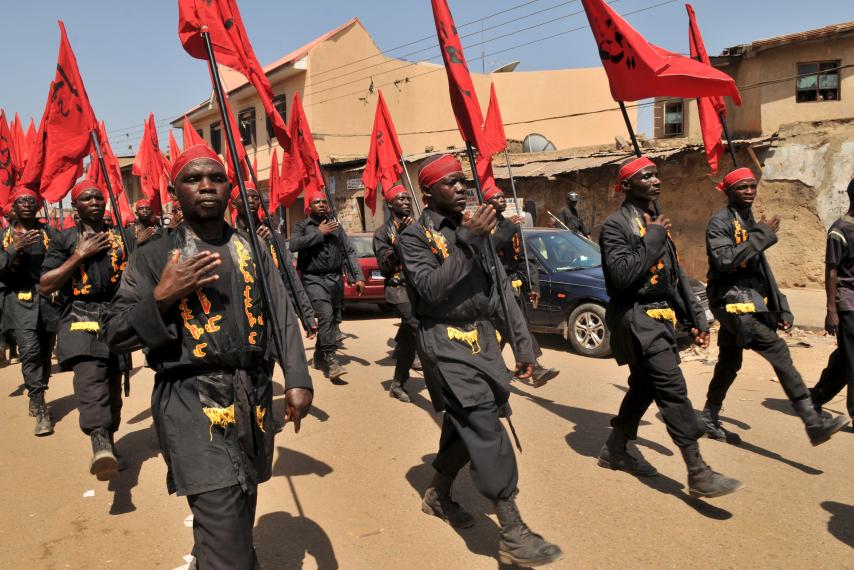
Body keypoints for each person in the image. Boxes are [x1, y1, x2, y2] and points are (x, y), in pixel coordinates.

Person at [104, 145, 313, 569]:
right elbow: (115, 332)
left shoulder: (251, 247)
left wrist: (296, 378)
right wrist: (162, 297)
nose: (205, 186)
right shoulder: (151, 257)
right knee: (223, 517)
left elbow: (280, 313)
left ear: (229, 187)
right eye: (193, 179)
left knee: (239, 505)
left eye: (215, 178)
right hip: (190, 402)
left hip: (250, 397)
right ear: (175, 192)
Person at [399, 155, 562, 567]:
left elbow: (502, 293)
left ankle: (437, 492)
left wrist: (525, 348)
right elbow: (431, 291)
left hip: (484, 342)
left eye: (462, 182)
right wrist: (469, 243)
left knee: (464, 423)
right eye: (449, 183)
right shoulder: (414, 237)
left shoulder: (477, 229)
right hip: (443, 342)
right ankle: (512, 529)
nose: (459, 189)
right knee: (483, 423)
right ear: (427, 192)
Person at [598, 156, 741, 498]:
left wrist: (696, 319)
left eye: (656, 175)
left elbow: (674, 279)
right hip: (635, 319)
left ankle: (615, 448)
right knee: (672, 387)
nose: (656, 181)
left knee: (645, 386)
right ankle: (697, 470)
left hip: (662, 318)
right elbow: (622, 277)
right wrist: (653, 237)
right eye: (646, 177)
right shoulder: (615, 226)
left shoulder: (656, 221)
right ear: (627, 186)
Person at [702, 168, 849, 444]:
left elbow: (761, 268)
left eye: (752, 187)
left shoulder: (747, 219)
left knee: (729, 362)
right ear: (727, 191)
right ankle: (811, 419)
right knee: (778, 350)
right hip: (731, 300)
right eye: (741, 187)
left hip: (751, 298)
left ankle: (709, 415)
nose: (748, 192)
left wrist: (781, 305)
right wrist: (761, 235)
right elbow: (723, 260)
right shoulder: (719, 222)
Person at [40, 179, 133, 480]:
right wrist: (79, 254)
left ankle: (110, 441)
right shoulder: (64, 239)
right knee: (90, 380)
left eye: (98, 197)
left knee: (112, 387)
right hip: (79, 316)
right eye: (86, 198)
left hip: (115, 317)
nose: (94, 202)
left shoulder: (121, 237)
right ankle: (99, 442)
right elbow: (46, 284)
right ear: (76, 206)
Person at [0, 187, 62, 435]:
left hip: (48, 302)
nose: (26, 204)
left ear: (37, 207)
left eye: (31, 200)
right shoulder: (4, 236)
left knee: (45, 355)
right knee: (30, 352)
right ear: (13, 208)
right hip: (18, 302)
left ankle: (37, 391)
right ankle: (40, 405)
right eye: (21, 201)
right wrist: (14, 248)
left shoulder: (50, 233)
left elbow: (61, 260)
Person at [484, 185, 559, 387]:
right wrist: (505, 231)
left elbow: (528, 258)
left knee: (517, 328)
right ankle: (495, 371)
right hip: (492, 288)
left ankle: (524, 368)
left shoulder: (512, 226)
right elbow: (486, 253)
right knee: (503, 332)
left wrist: (534, 287)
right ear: (487, 203)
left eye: (503, 196)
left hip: (513, 286)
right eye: (496, 197)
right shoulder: (483, 228)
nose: (502, 199)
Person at [289, 190, 365, 381]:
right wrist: (319, 233)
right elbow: (294, 245)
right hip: (313, 279)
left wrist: (358, 277)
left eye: (324, 201)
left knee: (330, 321)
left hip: (335, 280)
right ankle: (331, 360)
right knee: (325, 314)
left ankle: (317, 356)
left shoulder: (336, 227)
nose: (321, 205)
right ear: (309, 207)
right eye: (317, 202)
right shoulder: (301, 226)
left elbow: (349, 252)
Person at [231, 183, 318, 338]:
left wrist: (307, 316)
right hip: (244, 315)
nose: (250, 200)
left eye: (255, 197)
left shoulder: (272, 237)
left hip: (272, 309)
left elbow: (289, 278)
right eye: (244, 197)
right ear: (233, 203)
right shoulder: (228, 238)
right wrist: (254, 243)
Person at [811, 179, 854, 423]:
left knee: (845, 358)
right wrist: (831, 310)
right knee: (851, 360)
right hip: (848, 303)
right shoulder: (839, 230)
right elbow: (831, 270)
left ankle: (815, 397)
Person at [372, 185, 420, 403]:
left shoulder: (419, 227)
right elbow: (385, 267)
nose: (407, 202)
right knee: (416, 327)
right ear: (390, 204)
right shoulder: (382, 233)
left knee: (410, 337)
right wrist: (401, 238)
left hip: (420, 287)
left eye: (408, 199)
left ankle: (398, 383)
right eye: (401, 199)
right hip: (398, 288)